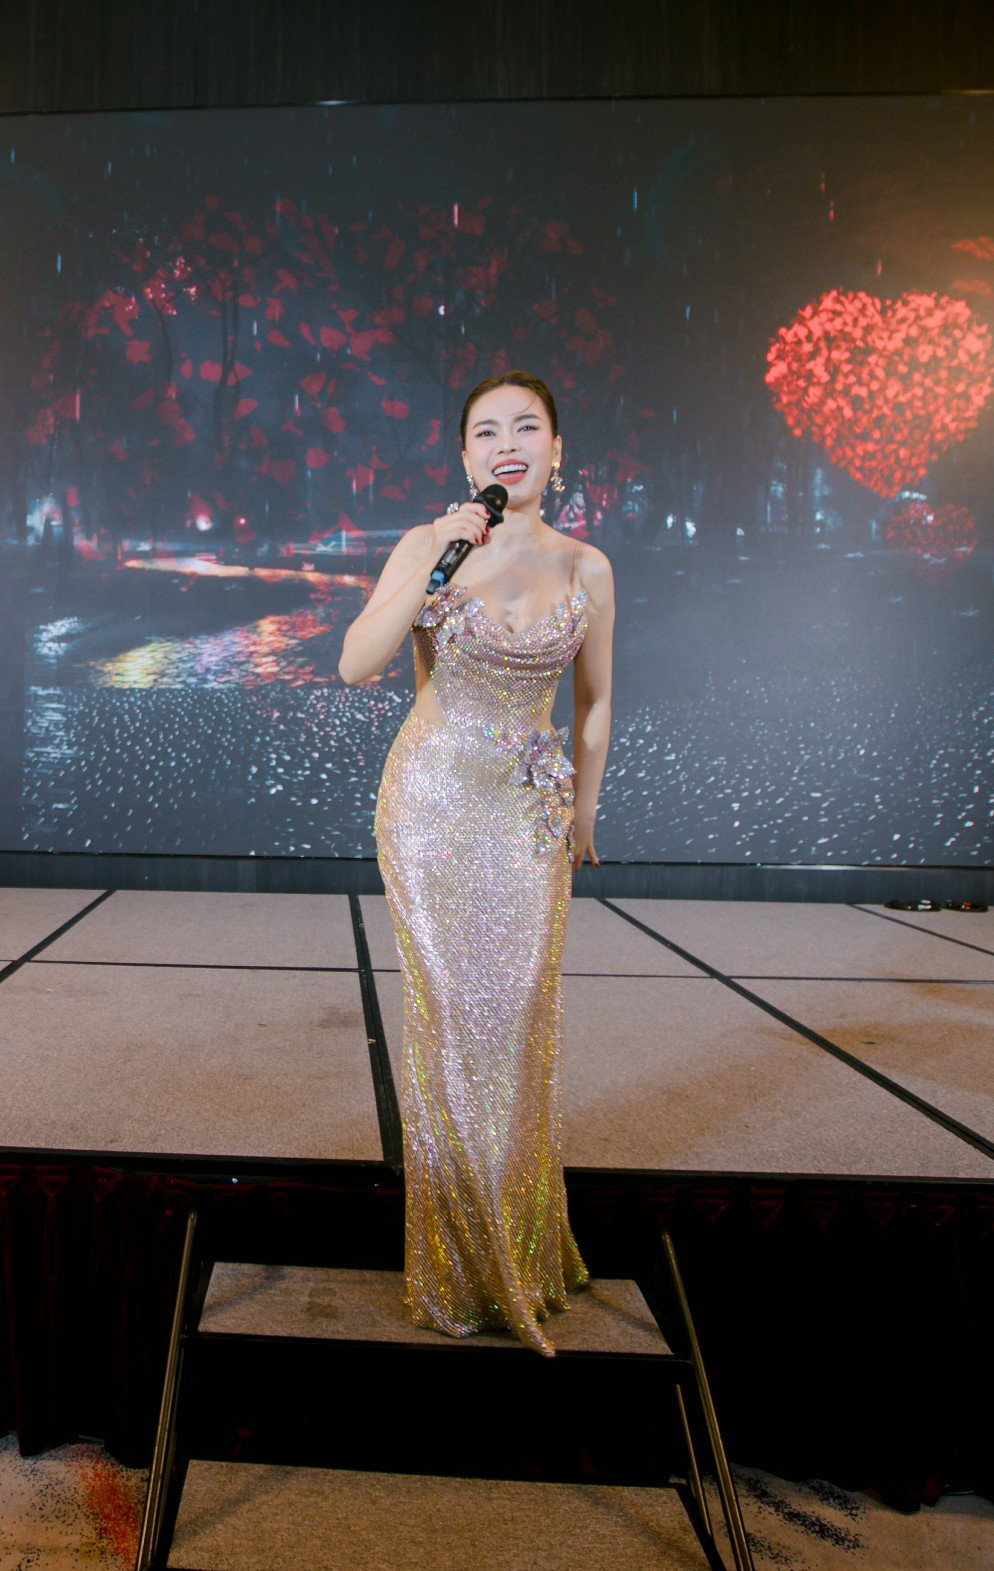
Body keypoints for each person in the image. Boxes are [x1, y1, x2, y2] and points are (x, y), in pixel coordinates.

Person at [336, 369, 615, 1357]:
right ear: (465, 456)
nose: (507, 445)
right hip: (432, 807)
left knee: (520, 1020)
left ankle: (520, 1252)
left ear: (555, 448)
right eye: (487, 431)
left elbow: (594, 701)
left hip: (528, 816)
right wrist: (435, 567)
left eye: (526, 427)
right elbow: (355, 664)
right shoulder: (430, 546)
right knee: (453, 1025)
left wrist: (584, 810)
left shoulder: (587, 566)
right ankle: (464, 1268)